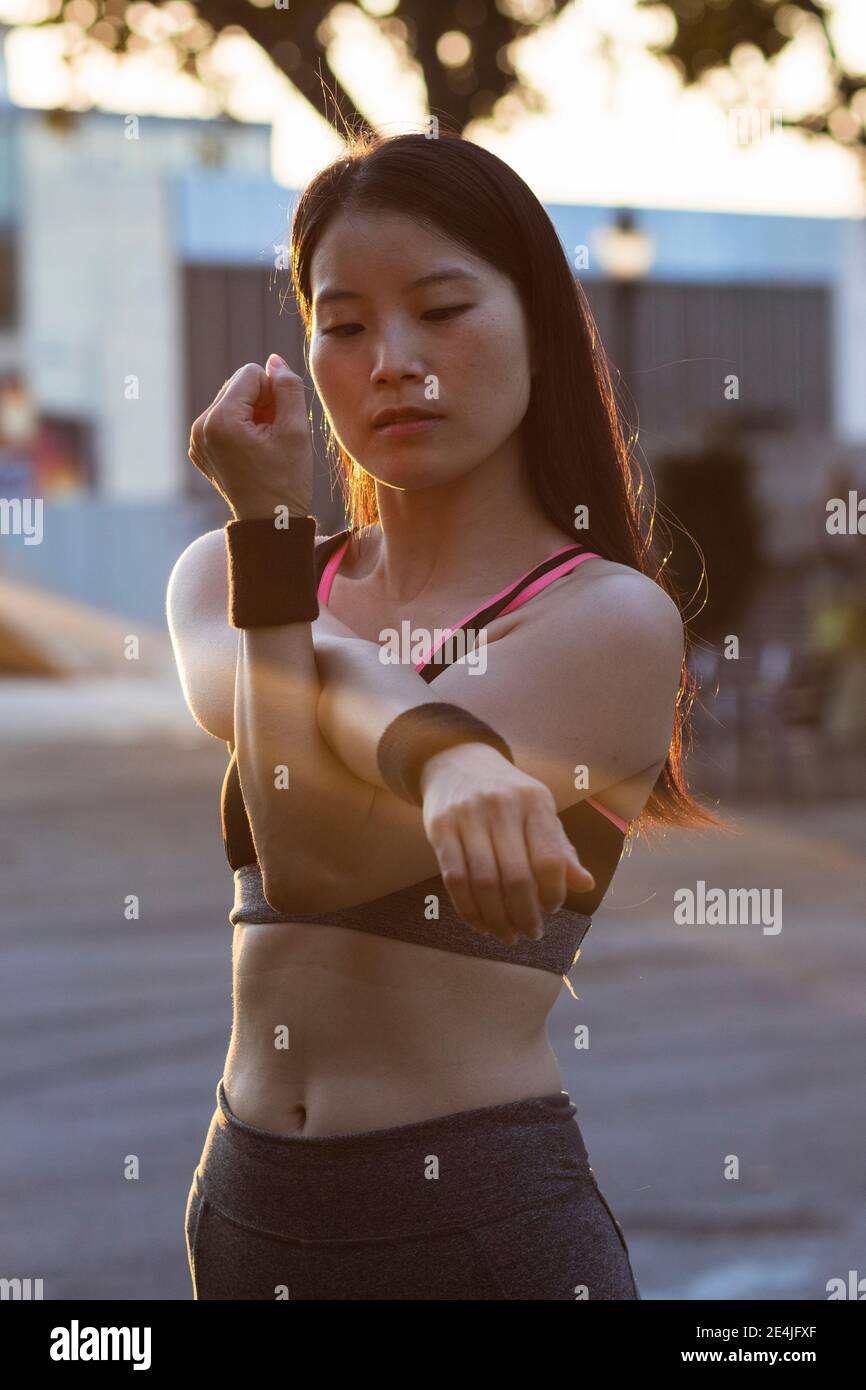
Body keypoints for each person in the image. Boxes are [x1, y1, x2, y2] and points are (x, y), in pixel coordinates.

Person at [167, 130, 722, 1301]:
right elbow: (306, 690)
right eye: (346, 323)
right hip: (241, 1204)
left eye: (442, 308)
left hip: (470, 1229)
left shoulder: (606, 620)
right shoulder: (227, 585)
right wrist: (444, 753)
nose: (394, 362)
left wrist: (275, 564)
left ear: (540, 327)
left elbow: (309, 853)